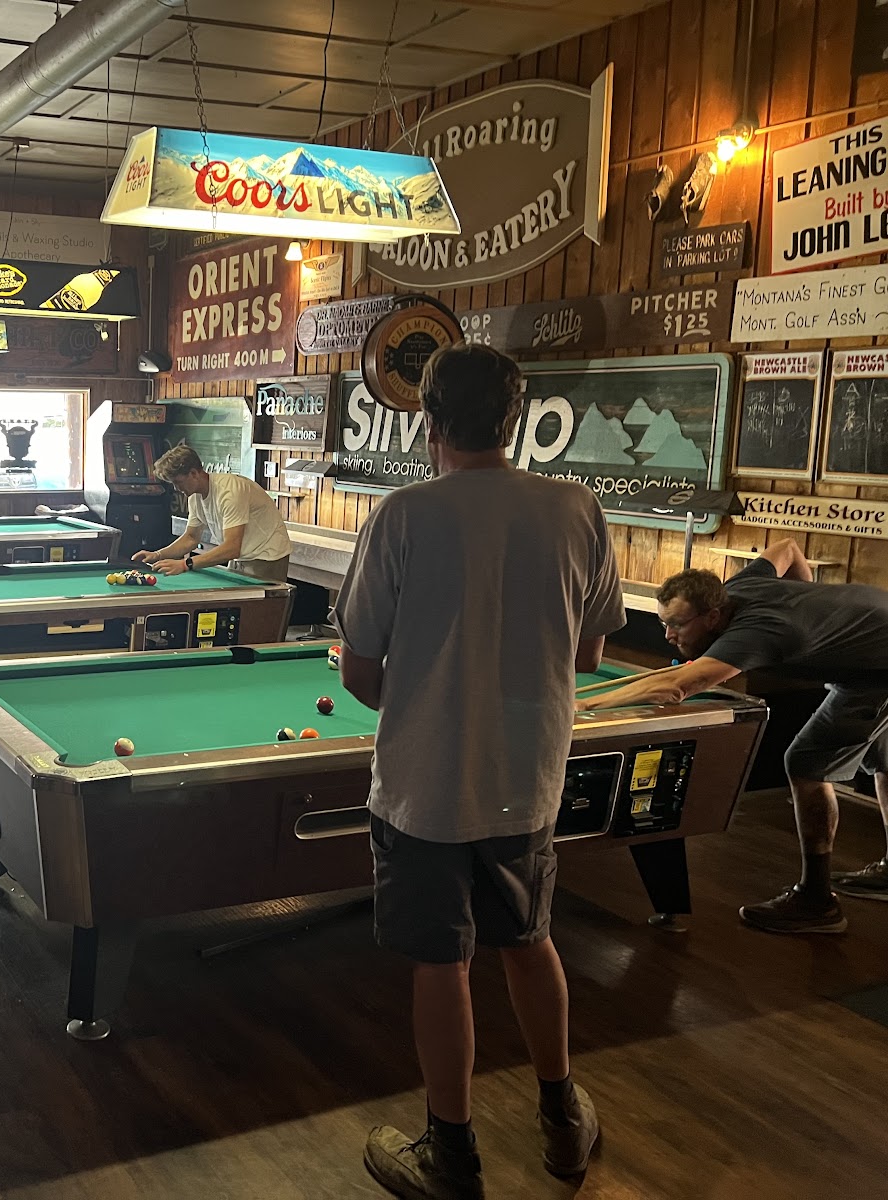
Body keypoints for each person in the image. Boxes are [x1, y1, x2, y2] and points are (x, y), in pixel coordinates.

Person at [338, 345, 621, 1199]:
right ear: (515, 418)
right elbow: (590, 653)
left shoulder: (402, 514)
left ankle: (452, 1157)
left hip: (423, 788)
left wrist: (424, 697)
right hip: (528, 783)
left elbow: (360, 674)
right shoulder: (576, 508)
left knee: (442, 964)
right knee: (530, 943)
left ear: (428, 419)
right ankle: (562, 1120)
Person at [579, 541, 888, 934]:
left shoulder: (756, 633)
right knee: (884, 760)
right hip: (874, 649)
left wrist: (584, 704)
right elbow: (788, 549)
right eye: (664, 623)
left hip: (878, 671)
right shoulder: (737, 588)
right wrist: (807, 604)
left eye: (679, 624)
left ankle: (817, 901)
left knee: (806, 764)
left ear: (712, 616)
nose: (669, 635)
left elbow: (675, 686)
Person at [134, 444, 292, 581]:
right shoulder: (194, 496)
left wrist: (185, 564)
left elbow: (232, 548)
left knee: (256, 606)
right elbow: (191, 538)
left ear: (194, 473)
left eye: (178, 482)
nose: (176, 488)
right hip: (241, 557)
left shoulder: (229, 491)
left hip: (266, 556)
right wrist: (157, 555)